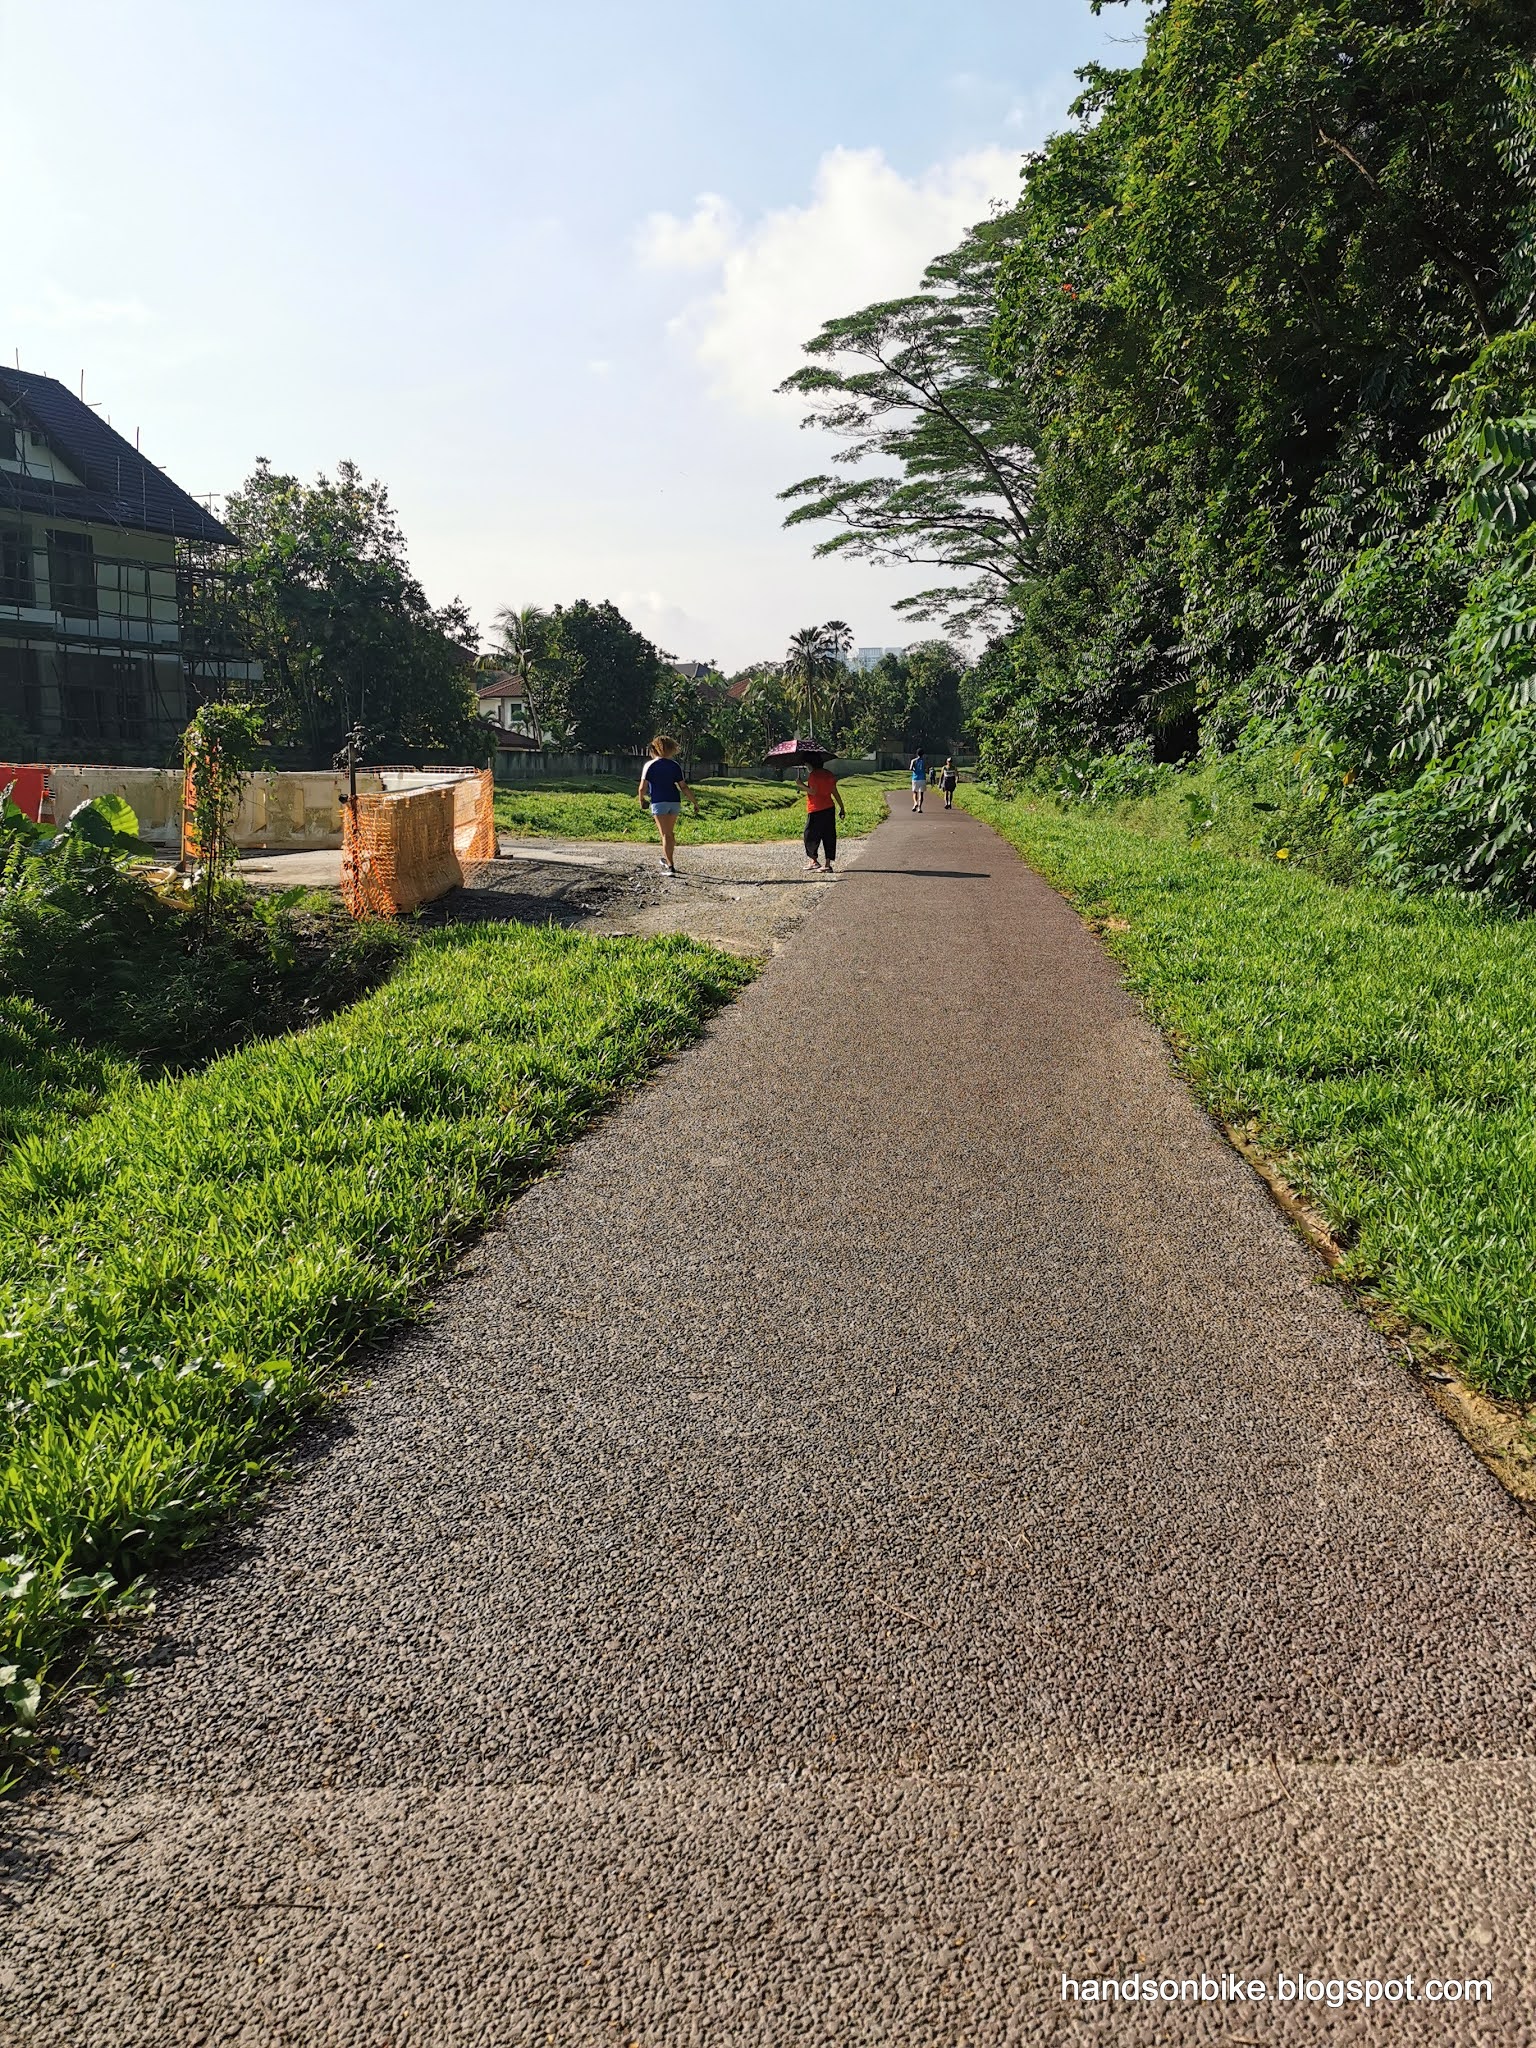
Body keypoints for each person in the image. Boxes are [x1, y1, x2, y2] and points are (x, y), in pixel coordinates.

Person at [637, 735, 698, 875]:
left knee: (665, 834)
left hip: (659, 801)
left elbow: (642, 788)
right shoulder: (674, 766)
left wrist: (642, 800)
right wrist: (694, 802)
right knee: (669, 833)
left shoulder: (649, 765)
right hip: (674, 801)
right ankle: (668, 858)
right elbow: (683, 787)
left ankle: (670, 866)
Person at [802, 757, 846, 874]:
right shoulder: (829, 774)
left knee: (810, 835)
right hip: (829, 808)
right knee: (829, 835)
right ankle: (827, 864)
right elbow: (834, 791)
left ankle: (813, 860)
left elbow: (813, 791)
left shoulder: (814, 775)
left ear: (811, 765)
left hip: (816, 809)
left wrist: (801, 785)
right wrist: (842, 807)